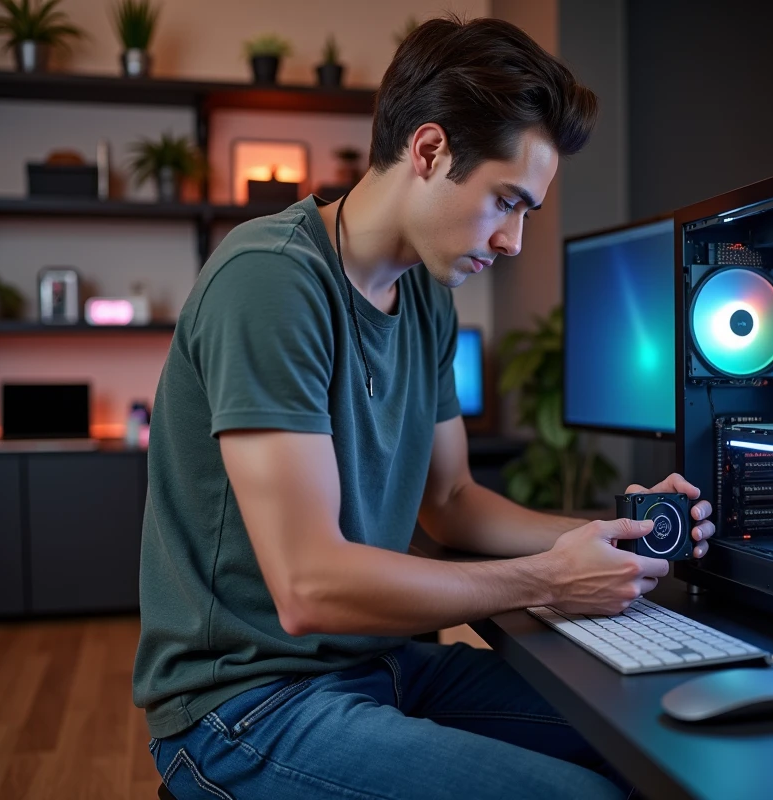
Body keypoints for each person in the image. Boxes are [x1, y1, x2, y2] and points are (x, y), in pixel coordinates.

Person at [133, 15, 714, 800]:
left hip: (377, 662)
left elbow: (451, 502)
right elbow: (308, 587)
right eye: (505, 201)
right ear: (430, 151)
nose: (512, 240)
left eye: (527, 213)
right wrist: (546, 579)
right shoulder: (270, 281)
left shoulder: (428, 301)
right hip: (244, 704)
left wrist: (610, 534)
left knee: (661, 741)